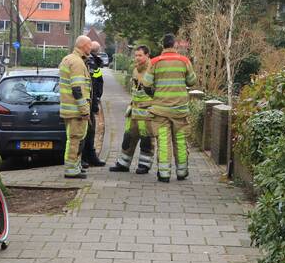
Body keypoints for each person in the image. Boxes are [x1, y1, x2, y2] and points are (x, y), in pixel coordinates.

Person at [143, 34, 197, 183]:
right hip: (179, 110)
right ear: (175, 46)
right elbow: (192, 81)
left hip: (160, 110)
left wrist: (154, 94)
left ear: (163, 46)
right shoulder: (184, 61)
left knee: (163, 141)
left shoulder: (154, 62)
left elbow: (146, 84)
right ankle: (182, 172)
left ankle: (164, 173)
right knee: (180, 140)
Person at [110, 45, 154, 174]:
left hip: (146, 112)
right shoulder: (135, 70)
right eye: (136, 55)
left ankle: (144, 165)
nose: (137, 58)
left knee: (146, 140)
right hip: (134, 111)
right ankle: (123, 164)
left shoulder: (153, 70)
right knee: (128, 138)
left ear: (147, 55)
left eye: (140, 55)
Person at [59, 36, 93, 179]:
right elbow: (77, 89)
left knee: (74, 139)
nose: (90, 48)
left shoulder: (67, 59)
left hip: (69, 109)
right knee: (75, 139)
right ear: (84, 46)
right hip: (77, 110)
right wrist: (85, 110)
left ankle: (75, 166)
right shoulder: (78, 63)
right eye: (89, 45)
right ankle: (72, 169)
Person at [79, 40, 106, 168]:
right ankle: (83, 158)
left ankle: (90, 156)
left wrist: (96, 99)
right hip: (85, 102)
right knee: (84, 132)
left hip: (91, 101)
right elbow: (90, 85)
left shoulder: (93, 62)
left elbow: (97, 82)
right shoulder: (85, 62)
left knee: (91, 130)